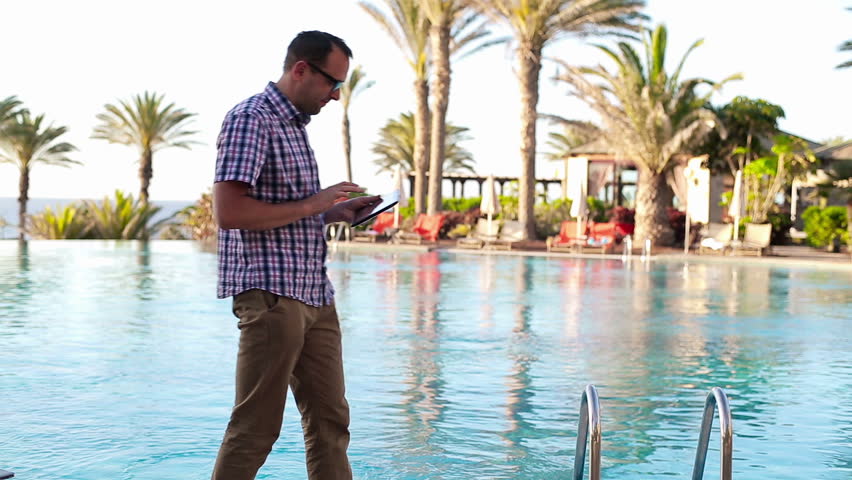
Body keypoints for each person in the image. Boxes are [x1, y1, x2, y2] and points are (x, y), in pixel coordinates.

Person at [210, 30, 379, 480]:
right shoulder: (252, 119)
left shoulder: (294, 129)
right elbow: (229, 212)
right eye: (332, 82)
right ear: (301, 69)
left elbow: (284, 212)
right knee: (256, 427)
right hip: (271, 296)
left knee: (331, 422)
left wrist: (335, 212)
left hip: (313, 296)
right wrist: (315, 203)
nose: (337, 95)